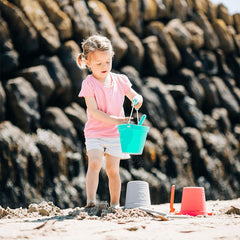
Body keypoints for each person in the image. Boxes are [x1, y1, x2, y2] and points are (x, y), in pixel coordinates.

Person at [77, 34, 143, 209]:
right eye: (98, 63)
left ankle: (115, 204)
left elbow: (134, 95)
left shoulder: (119, 80)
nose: (104, 66)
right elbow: (94, 112)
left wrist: (137, 99)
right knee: (95, 162)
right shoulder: (88, 84)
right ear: (88, 63)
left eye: (107, 62)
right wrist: (118, 120)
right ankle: (91, 200)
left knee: (113, 170)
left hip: (115, 133)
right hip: (95, 132)